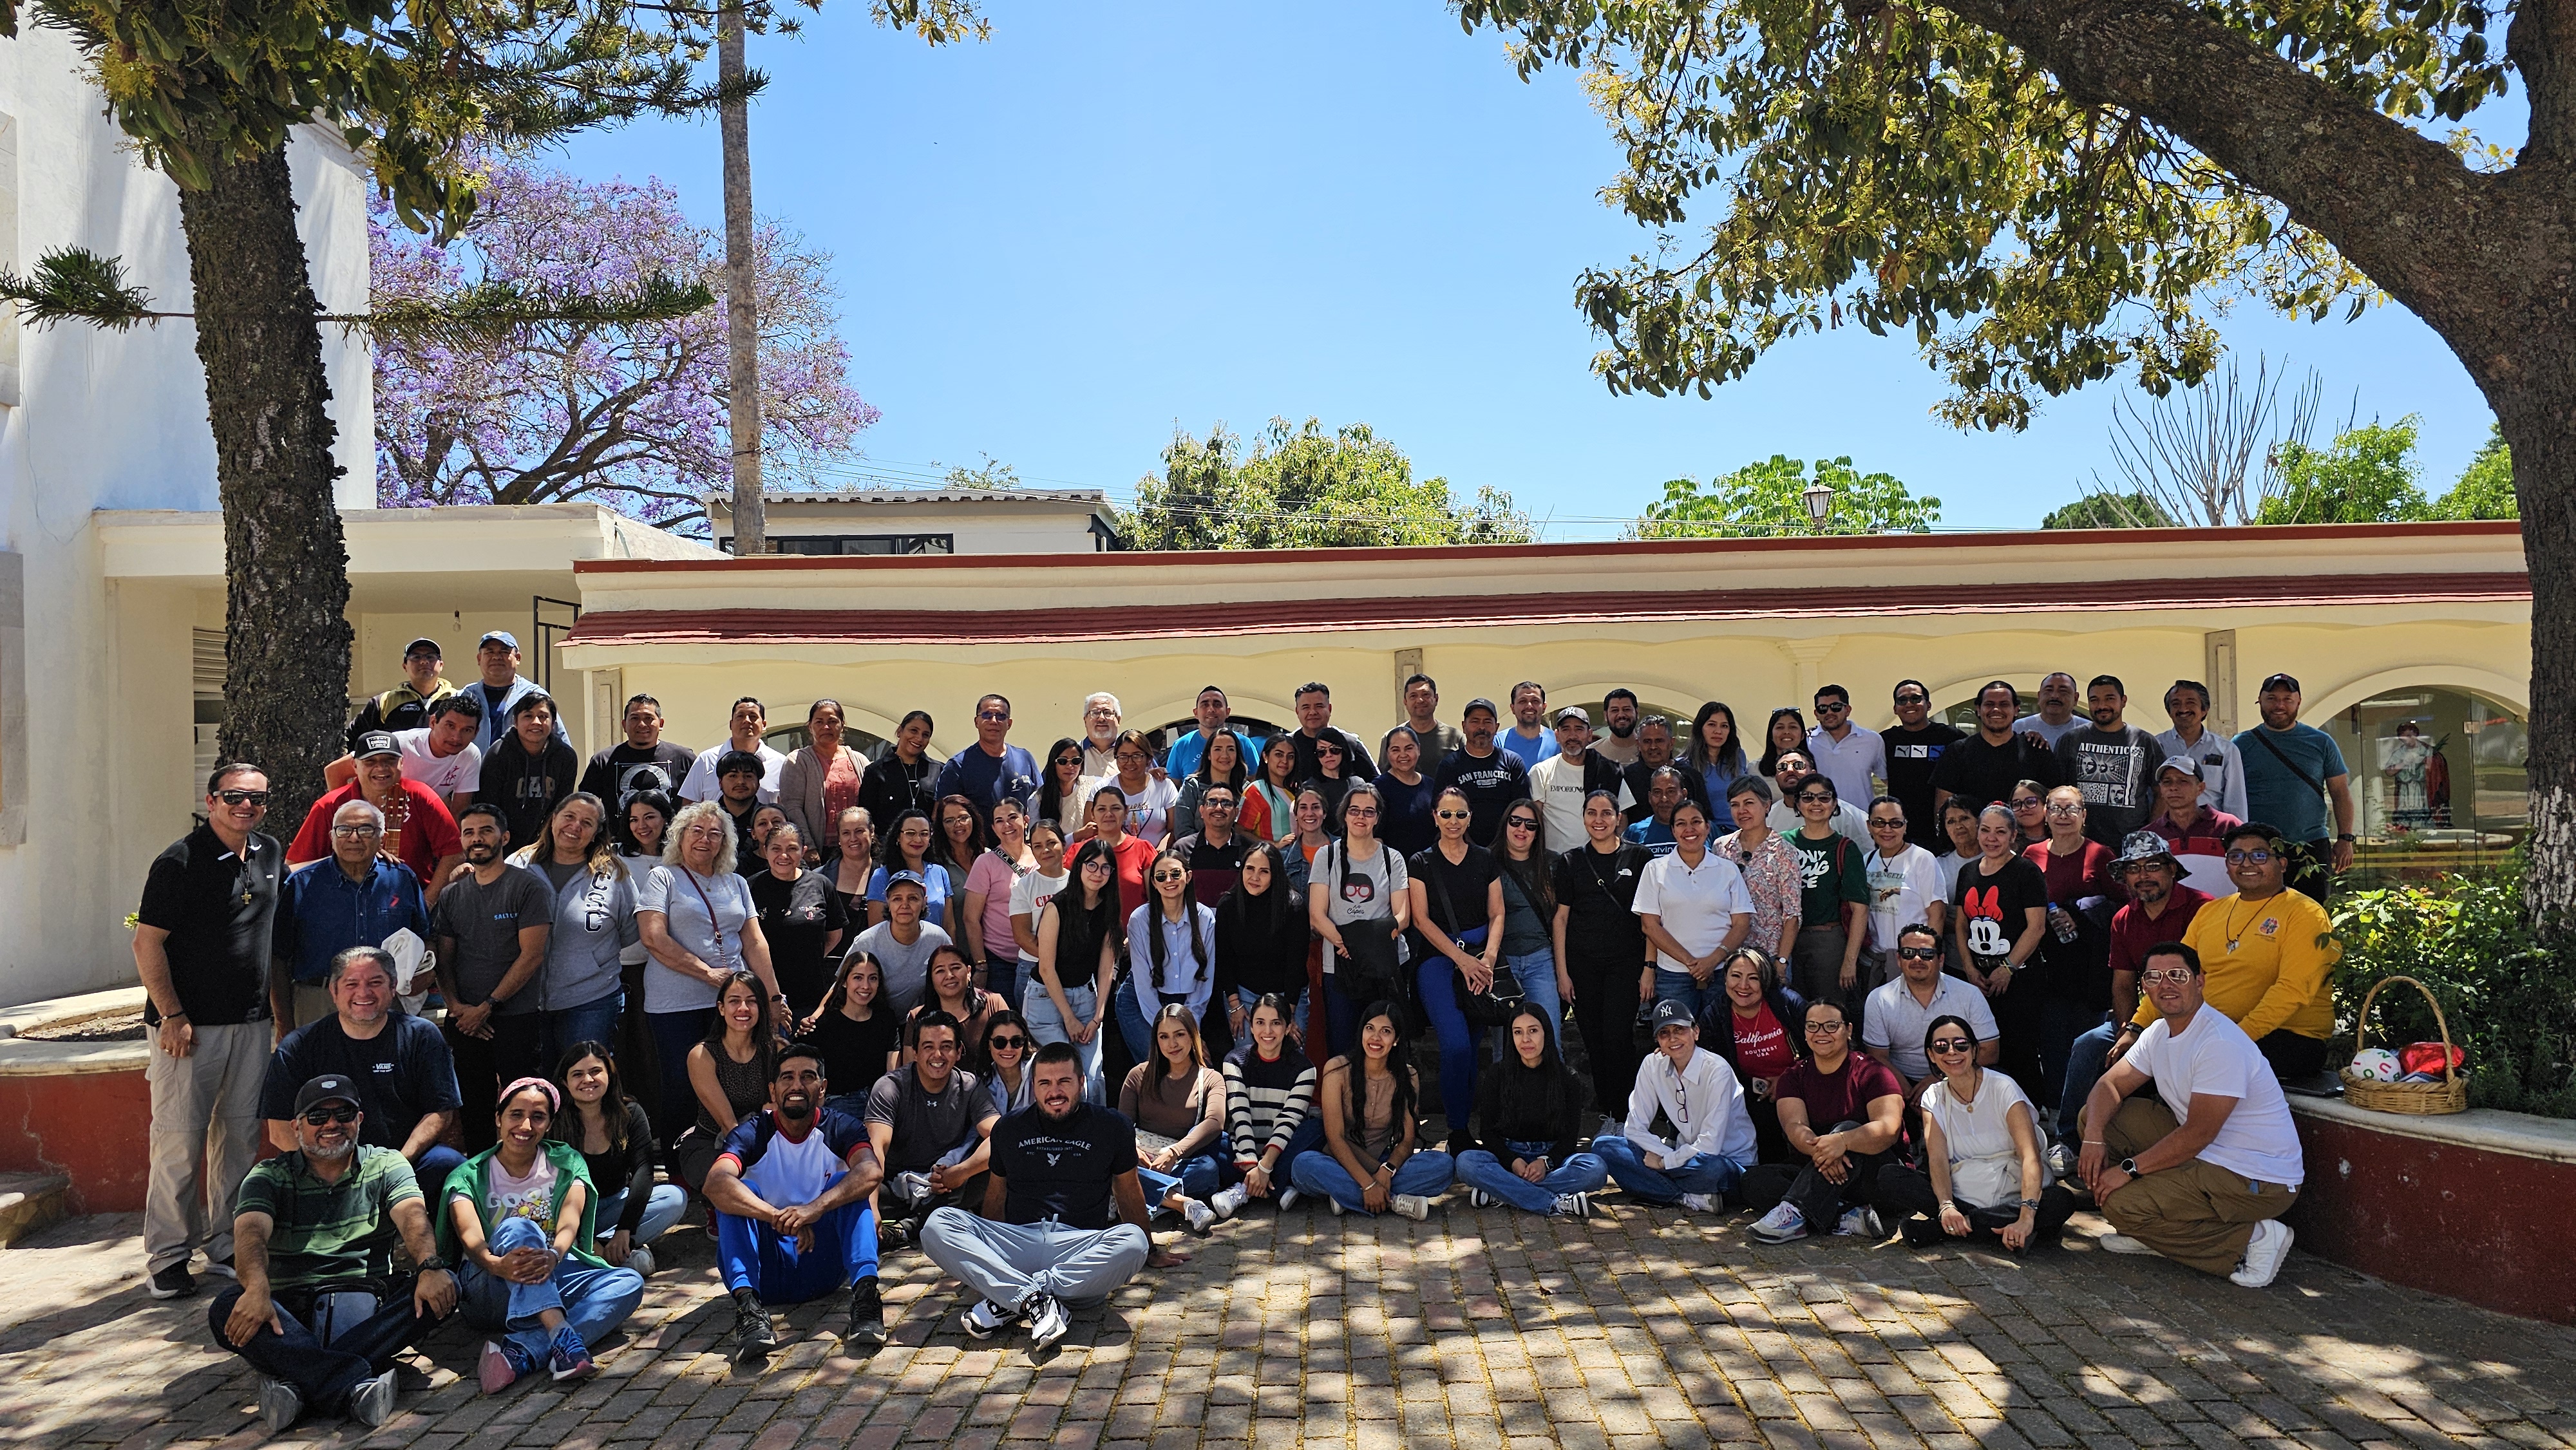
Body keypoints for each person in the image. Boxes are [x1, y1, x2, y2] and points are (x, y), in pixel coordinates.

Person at [207, 1073, 457, 1431]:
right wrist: (257, 1289)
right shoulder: (268, 1175)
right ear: (296, 1127)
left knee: (446, 1285)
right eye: (318, 1117)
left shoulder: (387, 1164)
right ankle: (353, 1383)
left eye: (343, 1114)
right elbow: (250, 1235)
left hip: (368, 1303)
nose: (332, 1125)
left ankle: (299, 1379)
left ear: (359, 1120)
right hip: (290, 1314)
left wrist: (431, 1267)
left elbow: (413, 1218)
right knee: (225, 1308)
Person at [920, 1041, 1175, 1350]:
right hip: (1017, 1242)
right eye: (1045, 1083)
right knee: (937, 1223)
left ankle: (1016, 1296)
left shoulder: (1112, 1127)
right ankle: (1033, 1300)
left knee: (1133, 1243)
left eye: (1064, 1081)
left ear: (1081, 1083)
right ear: (1034, 1087)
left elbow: (1128, 1192)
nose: (1055, 1091)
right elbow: (996, 1198)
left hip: (1078, 1250)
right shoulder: (1010, 1128)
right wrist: (984, 1256)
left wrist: (1150, 1250)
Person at [2077, 943, 2304, 1288]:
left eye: (2177, 975)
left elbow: (2199, 1133)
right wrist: (2093, 1137)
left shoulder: (2219, 1042)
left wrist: (2129, 1170)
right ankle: (2152, 1229)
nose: (2166, 985)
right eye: (2154, 977)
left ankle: (2253, 1238)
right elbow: (2109, 1087)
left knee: (2121, 1204)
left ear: (2200, 981)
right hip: (2205, 1153)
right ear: (2145, 987)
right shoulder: (2157, 1032)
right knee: (2093, 1119)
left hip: (2255, 1177)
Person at [440, 1078, 646, 1392]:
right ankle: (561, 1334)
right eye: (515, 1114)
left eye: (538, 1117)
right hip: (488, 1283)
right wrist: (498, 1266)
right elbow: (471, 1239)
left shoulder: (566, 1162)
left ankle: (525, 1352)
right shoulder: (468, 1174)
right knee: (518, 1226)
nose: (525, 1125)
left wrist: (554, 1255)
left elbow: (570, 1221)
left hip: (550, 1269)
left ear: (549, 1124)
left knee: (628, 1283)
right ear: (498, 1118)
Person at [2098, 824, 2338, 1083]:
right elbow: (2174, 977)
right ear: (2227, 865)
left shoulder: (2305, 913)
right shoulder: (2211, 912)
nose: (2247, 863)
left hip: (2288, 1036)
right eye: (2236, 856)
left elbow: (2293, 989)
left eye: (2259, 855)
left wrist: (2233, 1039)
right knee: (2113, 1065)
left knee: (2177, 1070)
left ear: (2281, 863)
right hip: (2213, 1031)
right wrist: (2136, 1029)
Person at [705, 1041, 889, 1357]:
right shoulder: (751, 1133)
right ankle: (749, 1312)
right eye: (787, 1077)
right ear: (773, 1090)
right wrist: (782, 1219)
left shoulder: (841, 1127)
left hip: (823, 1264)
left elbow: (871, 1173)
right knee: (736, 1194)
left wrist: (814, 1209)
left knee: (851, 1181)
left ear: (822, 1088)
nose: (796, 1085)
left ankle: (867, 1301)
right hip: (766, 1271)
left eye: (807, 1077)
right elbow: (715, 1183)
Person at [2051, 832, 2212, 1162]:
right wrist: (2128, 1030)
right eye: (2134, 869)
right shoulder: (2123, 918)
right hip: (2142, 1019)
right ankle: (2068, 1143)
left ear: (2171, 870)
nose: (2143, 876)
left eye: (2152, 866)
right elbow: (2123, 984)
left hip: (2193, 1019)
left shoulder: (2203, 908)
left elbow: (2204, 983)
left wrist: (2138, 1034)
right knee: (2088, 1044)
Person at [636, 800, 790, 1144]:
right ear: (680, 836)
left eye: (715, 833)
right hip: (677, 1003)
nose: (705, 839)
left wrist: (773, 996)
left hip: (734, 1002)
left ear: (725, 842)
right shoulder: (663, 877)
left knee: (739, 1079)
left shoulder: (735, 882)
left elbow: (755, 943)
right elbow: (653, 937)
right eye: (697, 831)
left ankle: (736, 1151)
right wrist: (708, 974)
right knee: (681, 1082)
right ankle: (682, 1163)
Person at [261, 945, 464, 1190]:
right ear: (334, 992)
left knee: (447, 1165)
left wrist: (397, 1164)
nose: (364, 992)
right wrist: (329, 1172)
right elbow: (279, 1129)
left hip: (404, 1159)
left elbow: (440, 1112)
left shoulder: (422, 1036)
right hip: (325, 1166)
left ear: (393, 988)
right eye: (351, 984)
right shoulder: (299, 1046)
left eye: (375, 982)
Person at [1873, 1015, 2075, 1252]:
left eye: (1961, 1044)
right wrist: (1946, 1206)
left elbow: (2030, 1156)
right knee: (1891, 1176)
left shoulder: (2003, 1087)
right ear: (1931, 1054)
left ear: (1974, 1049)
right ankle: (1994, 1227)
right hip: (1965, 1192)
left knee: (2061, 1201)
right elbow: (1937, 1159)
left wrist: (2027, 1214)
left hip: (2017, 1192)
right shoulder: (1933, 1097)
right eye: (1941, 1046)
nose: (1952, 1052)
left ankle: (1950, 1229)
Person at [431, 803, 555, 1146]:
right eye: (469, 832)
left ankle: (527, 1175)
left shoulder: (528, 888)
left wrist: (487, 1006)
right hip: (465, 1021)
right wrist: (457, 1007)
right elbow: (443, 958)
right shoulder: (452, 895)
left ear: (505, 837)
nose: (477, 839)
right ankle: (480, 1181)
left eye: (486, 831)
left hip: (516, 1017)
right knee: (473, 1106)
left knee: (524, 1103)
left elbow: (531, 956)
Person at [1743, 999, 1908, 1243]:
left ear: (1848, 1030)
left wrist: (1842, 1141)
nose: (1821, 1033)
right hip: (1820, 1168)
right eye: (1813, 1026)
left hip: (1875, 1176)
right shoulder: (1794, 1076)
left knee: (1847, 1128)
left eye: (1831, 1026)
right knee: (1754, 1182)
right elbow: (1794, 1126)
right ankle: (1845, 1216)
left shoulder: (1873, 1072)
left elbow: (1889, 1129)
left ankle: (1795, 1212)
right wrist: (1825, 1151)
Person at [274, 798, 431, 1031]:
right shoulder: (301, 884)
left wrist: (423, 978)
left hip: (386, 1000)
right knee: (322, 1069)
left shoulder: (402, 879)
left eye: (366, 830)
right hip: (318, 1002)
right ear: (332, 837)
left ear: (383, 838)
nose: (354, 838)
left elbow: (425, 937)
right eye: (344, 829)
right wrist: (283, 1023)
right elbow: (278, 959)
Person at [1286, 1000, 1454, 1218]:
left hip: (1385, 1162)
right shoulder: (1337, 1069)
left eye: (1386, 1031)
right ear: (1361, 1032)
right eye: (1370, 1029)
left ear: (1396, 1040)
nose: (1376, 1038)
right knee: (1303, 1166)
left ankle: (1345, 1196)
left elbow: (1407, 1139)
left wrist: (1388, 1169)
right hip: (1342, 1161)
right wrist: (1369, 1183)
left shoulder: (1408, 1076)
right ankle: (1392, 1202)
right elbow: (1335, 1138)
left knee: (1444, 1165)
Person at [506, 791, 636, 1067]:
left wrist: (591, 959)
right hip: (523, 1000)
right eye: (569, 817)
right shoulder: (518, 866)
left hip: (591, 1001)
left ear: (596, 833)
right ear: (553, 820)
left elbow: (629, 930)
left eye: (586, 823)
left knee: (585, 1083)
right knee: (533, 1088)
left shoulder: (614, 874)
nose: (575, 827)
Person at [1410, 786, 1506, 1148]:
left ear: (1470, 818)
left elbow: (1497, 912)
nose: (1453, 821)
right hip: (1438, 961)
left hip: (1482, 962)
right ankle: (1457, 1127)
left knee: (1473, 1041)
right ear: (1435, 816)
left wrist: (1489, 958)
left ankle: (1464, 1129)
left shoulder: (1485, 859)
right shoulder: (1420, 862)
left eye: (1461, 815)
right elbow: (1420, 919)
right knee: (1455, 1045)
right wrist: (1461, 959)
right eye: (1446, 814)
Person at [1593, 1000, 1757, 1210]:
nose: (1673, 1038)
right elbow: (1634, 1129)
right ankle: (1686, 1197)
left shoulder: (1718, 1071)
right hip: (1685, 1158)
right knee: (1605, 1147)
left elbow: (1710, 1145)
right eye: (1664, 1033)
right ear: (1658, 1042)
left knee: (1713, 1169)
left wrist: (1665, 1162)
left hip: (1726, 1162)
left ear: (1695, 1032)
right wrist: (1663, 1153)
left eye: (1680, 1030)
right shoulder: (1653, 1065)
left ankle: (1659, 1188)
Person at [1552, 790, 1653, 1117]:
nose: (1599, 820)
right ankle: (1609, 1114)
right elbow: (1561, 919)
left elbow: (1651, 917)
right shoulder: (1570, 862)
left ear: (1618, 818)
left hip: (1626, 964)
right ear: (1583, 818)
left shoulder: (1640, 858)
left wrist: (1649, 967)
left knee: (1618, 1040)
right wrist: (1563, 973)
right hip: (1583, 966)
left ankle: (1626, 1116)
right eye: (1592, 813)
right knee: (1594, 1043)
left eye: (1606, 813)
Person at [866, 1010, 998, 1250]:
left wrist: (960, 1172)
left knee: (992, 1170)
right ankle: (922, 1221)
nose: (938, 1055)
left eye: (946, 1046)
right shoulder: (891, 1087)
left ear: (959, 1052)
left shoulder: (969, 1086)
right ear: (914, 1052)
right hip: (897, 1187)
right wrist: (871, 1208)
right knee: (849, 1183)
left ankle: (908, 1228)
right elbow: (877, 1150)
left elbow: (1000, 1135)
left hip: (948, 1185)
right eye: (928, 1047)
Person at [289, 733, 466, 910]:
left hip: (409, 904)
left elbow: (454, 853)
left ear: (402, 763)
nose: (381, 769)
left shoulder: (421, 797)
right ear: (354, 766)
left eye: (389, 761)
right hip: (343, 908)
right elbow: (293, 868)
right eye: (370, 762)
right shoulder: (329, 805)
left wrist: (425, 904)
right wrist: (343, 859)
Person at [1458, 1006, 1606, 1218]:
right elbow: (1488, 1133)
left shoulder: (1567, 1078)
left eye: (1533, 1031)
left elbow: (1569, 1139)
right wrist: (1512, 1161)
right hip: (1508, 1157)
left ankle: (1501, 1191)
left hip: (1550, 1160)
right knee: (1466, 1163)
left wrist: (1545, 1162)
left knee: (1596, 1169)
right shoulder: (1497, 1074)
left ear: (1546, 1032)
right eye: (1518, 1032)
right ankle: (1554, 1202)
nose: (1526, 1039)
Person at [554, 1042, 686, 1274]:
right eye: (577, 1074)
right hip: (568, 1213)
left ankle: (604, 1250)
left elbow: (644, 1170)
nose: (588, 1080)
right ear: (565, 1083)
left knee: (674, 1197)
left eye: (595, 1071)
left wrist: (625, 1228)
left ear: (609, 1075)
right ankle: (610, 1254)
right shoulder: (555, 1121)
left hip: (613, 1206)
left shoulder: (630, 1113)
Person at [2026, 785, 2117, 1118]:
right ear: (2046, 814)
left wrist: (2079, 910)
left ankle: (2086, 1116)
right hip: (2046, 964)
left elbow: (2121, 904)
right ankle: (2054, 1113)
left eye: (2071, 809)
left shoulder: (2101, 854)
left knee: (2087, 1045)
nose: (2063, 816)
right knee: (2051, 1044)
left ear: (2084, 815)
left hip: (2089, 966)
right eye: (2056, 809)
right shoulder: (2031, 855)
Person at [1952, 804, 2051, 1104]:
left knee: (2019, 1048)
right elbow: (1960, 926)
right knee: (1980, 1047)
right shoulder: (1967, 871)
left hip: (2020, 977)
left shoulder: (2026, 872)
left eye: (2000, 832)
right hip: (1979, 979)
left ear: (2013, 836)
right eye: (1985, 830)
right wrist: (1970, 970)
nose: (1991, 838)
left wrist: (2007, 968)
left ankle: (2034, 1112)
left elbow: (2036, 928)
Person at [1310, 784, 1411, 1060]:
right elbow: (1317, 914)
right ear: (1344, 815)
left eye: (1369, 811)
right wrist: (1347, 945)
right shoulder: (1326, 855)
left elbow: (1402, 917)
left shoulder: (1393, 859)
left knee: (1385, 1052)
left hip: (1384, 965)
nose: (1361, 817)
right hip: (1340, 965)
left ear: (1377, 818)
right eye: (1354, 810)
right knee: (1343, 1048)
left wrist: (1365, 945)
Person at [2233, 673, 2356, 900]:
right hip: (2259, 849)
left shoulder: (2321, 742)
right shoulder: (2240, 745)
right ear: (2259, 701)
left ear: (2298, 702)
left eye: (2287, 699)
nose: (2279, 705)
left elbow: (2341, 793)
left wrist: (2345, 839)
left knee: (2312, 915)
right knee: (2259, 915)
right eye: (2272, 698)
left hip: (2310, 846)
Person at [1636, 797, 1756, 1025]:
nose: (1689, 829)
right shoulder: (1655, 870)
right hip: (1673, 975)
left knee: (1719, 1040)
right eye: (1681, 824)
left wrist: (1713, 961)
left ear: (1707, 827)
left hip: (1722, 972)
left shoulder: (1728, 870)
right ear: (1672, 831)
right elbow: (1649, 926)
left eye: (1696, 822)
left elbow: (1742, 924)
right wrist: (1692, 963)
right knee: (1676, 1038)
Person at [1121, 1004, 1233, 1232]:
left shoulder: (1211, 1078)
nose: (1172, 1044)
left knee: (1208, 1170)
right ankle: (1184, 1205)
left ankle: (1138, 1197)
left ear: (1193, 1036)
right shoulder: (1138, 1075)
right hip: (1140, 1161)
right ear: (1156, 1041)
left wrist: (1174, 1153)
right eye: (1164, 1037)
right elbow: (1120, 1127)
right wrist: (1131, 1149)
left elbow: (1215, 1122)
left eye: (1179, 1035)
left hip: (1182, 1162)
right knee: (1114, 1166)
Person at [1028, 840, 1121, 1101]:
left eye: (1105, 868)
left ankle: (1094, 1136)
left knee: (1092, 1079)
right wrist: (1069, 1018)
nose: (1097, 873)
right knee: (1063, 1074)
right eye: (1092, 865)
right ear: (1079, 866)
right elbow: (1046, 969)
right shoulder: (1057, 907)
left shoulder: (1109, 910)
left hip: (1085, 997)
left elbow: (1105, 969)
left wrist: (1097, 1017)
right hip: (1045, 999)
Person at [670, 971, 782, 1189]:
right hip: (713, 1142)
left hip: (768, 1139)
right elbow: (728, 1124)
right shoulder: (702, 1055)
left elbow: (776, 1110)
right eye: (734, 1001)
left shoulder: (776, 1050)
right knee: (740, 1181)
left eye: (752, 1001)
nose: (743, 1008)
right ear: (721, 1008)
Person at [1861, 925, 1998, 1097]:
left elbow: (1990, 1052)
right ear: (1898, 959)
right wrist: (1911, 1095)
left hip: (1958, 1075)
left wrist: (1938, 1079)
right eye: (1908, 953)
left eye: (1926, 954)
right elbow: (1878, 1058)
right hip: (1902, 1083)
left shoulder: (1969, 994)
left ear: (1940, 960)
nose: (1917, 959)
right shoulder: (1879, 999)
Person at [1216, 993, 1318, 1218]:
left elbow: (1289, 1121)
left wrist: (1265, 1167)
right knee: (1210, 1139)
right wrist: (1253, 1165)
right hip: (1242, 1152)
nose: (1268, 1031)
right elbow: (1240, 1116)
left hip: (1280, 1153)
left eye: (1276, 1023)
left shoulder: (1304, 1069)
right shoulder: (1234, 1062)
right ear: (1251, 1027)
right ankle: (1277, 1187)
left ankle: (1244, 1189)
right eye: (1260, 1023)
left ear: (1289, 1027)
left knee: (1316, 1130)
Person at [1700, 948, 1806, 1164]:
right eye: (1736, 976)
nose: (1743, 986)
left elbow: (1821, 1051)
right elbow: (1707, 1067)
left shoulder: (1788, 1004)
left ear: (1765, 980)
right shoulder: (1715, 1015)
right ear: (1726, 978)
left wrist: (1788, 1081)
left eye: (1753, 978)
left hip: (1800, 1085)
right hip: (1747, 1093)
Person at [1785, 773, 1873, 1014]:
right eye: (1808, 797)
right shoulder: (1782, 844)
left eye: (1824, 798)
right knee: (1792, 1012)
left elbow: (1860, 909)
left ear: (1834, 804)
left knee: (1830, 1012)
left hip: (1828, 941)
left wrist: (1849, 961)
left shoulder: (1846, 848)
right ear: (1797, 803)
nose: (1816, 804)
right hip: (1786, 941)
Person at [1119, 849, 1220, 1059]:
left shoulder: (1205, 918)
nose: (1169, 881)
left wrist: (1190, 1030)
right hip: (1142, 1002)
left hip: (1189, 1002)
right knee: (1160, 1065)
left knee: (1191, 1064)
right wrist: (1168, 1030)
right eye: (1161, 876)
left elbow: (1204, 979)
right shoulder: (1139, 920)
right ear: (1154, 883)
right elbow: (1144, 986)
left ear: (1188, 876)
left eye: (1175, 874)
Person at [1214, 840, 1311, 1042]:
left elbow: (1296, 964)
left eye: (1264, 871)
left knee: (1288, 1061)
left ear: (1275, 875)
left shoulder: (1293, 907)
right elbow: (1225, 960)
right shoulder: (1228, 906)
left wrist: (1288, 1014)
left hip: (1288, 996)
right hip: (1243, 996)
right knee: (1246, 1063)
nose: (1255, 877)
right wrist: (1235, 1006)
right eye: (1249, 869)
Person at [323, 694, 482, 814]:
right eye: (450, 726)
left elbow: (459, 811)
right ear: (433, 722)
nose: (456, 737)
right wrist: (350, 816)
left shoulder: (470, 755)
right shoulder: (397, 744)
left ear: (476, 733)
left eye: (466, 730)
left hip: (422, 825)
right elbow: (335, 771)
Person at [751, 823, 847, 1019]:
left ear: (803, 851)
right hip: (764, 994)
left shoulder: (821, 884)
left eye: (792, 849)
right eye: (776, 849)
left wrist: (810, 955)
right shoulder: (750, 887)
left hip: (811, 994)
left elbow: (835, 934)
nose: (783, 856)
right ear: (765, 850)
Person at [2054, 675, 2161, 846]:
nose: (2102, 706)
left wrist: (2150, 832)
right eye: (2094, 700)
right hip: (2080, 842)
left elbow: (2161, 792)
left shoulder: (2144, 741)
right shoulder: (2070, 740)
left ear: (2123, 701)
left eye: (2109, 699)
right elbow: (2056, 790)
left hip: (2131, 843)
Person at [1492, 799, 1570, 1031]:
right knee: (1504, 1045)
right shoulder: (1486, 862)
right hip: (1502, 963)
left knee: (1549, 1037)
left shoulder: (1554, 864)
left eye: (1530, 825)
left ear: (1538, 831)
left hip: (1541, 960)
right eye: (1515, 822)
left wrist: (1562, 970)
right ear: (1505, 824)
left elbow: (1561, 919)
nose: (1521, 829)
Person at [1931, 680, 2063, 816]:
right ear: (1978, 709)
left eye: (2004, 704)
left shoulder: (2037, 749)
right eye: (1989, 704)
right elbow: (1943, 808)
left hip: (2026, 836)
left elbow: (2052, 800)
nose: (1996, 709)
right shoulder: (1957, 752)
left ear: (2016, 709)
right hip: (1973, 837)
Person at [1862, 796, 1948, 997]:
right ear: (1869, 826)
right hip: (1875, 960)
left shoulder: (1922, 859)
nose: (1887, 829)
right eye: (1879, 823)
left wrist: (1929, 959)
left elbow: (1937, 914)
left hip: (1913, 960)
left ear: (1905, 826)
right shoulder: (1866, 861)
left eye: (1895, 823)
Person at [803, 952, 905, 1112]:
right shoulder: (824, 1023)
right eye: (858, 978)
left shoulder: (886, 1018)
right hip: (838, 1102)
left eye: (873, 978)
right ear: (844, 982)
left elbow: (892, 1072)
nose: (866, 986)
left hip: (876, 1098)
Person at [1716, 777, 1802, 966]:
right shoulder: (1721, 847)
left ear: (1767, 806)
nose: (1742, 811)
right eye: (1735, 805)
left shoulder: (1784, 852)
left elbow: (1792, 915)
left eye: (1749, 803)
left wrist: (1782, 961)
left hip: (1768, 956)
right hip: (1727, 955)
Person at [478, 692, 579, 851]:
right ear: (515, 722)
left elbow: (561, 808)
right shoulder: (498, 754)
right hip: (501, 844)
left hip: (544, 846)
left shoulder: (565, 757)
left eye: (543, 716)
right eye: (528, 716)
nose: (536, 722)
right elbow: (487, 807)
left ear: (553, 724)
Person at [963, 796, 1037, 1001]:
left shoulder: (1042, 858)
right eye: (999, 821)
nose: (1007, 825)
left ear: (1026, 820)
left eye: (1013, 817)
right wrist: (981, 965)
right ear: (994, 829)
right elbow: (971, 918)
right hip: (999, 962)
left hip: (1039, 957)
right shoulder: (985, 863)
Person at [1429, 699, 1532, 845]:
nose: (1481, 727)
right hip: (1463, 848)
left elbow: (1522, 809)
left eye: (1487, 722)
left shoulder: (1513, 763)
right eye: (1475, 721)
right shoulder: (1450, 766)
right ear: (1464, 727)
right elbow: (1440, 811)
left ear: (1496, 727)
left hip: (1507, 848)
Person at [851, 871, 956, 1015]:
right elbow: (841, 986)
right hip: (871, 1019)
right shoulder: (867, 941)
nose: (905, 905)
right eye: (897, 899)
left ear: (924, 902)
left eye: (913, 898)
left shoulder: (938, 939)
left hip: (918, 1020)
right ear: (888, 902)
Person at [1529, 706, 1634, 848]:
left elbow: (1622, 817)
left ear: (1589, 735)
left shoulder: (1609, 771)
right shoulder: (1541, 772)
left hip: (1596, 860)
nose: (1572, 736)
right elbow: (1534, 819)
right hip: (1554, 862)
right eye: (1566, 729)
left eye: (1579, 729)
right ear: (1557, 735)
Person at [579, 693, 697, 819]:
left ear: (661, 724)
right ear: (624, 725)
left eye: (649, 718)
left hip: (671, 838)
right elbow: (586, 806)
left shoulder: (684, 759)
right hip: (617, 839)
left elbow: (698, 804)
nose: (642, 724)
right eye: (635, 718)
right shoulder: (603, 761)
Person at [777, 700, 869, 859]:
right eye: (819, 722)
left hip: (856, 848)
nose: (826, 727)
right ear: (810, 726)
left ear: (842, 725)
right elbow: (793, 807)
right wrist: (809, 846)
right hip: (820, 851)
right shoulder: (797, 761)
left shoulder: (859, 761)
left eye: (832, 721)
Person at [1882, 681, 1965, 851]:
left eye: (1915, 698)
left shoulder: (1952, 737)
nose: (1909, 704)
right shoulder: (1885, 740)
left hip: (1942, 832)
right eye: (1902, 700)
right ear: (1895, 709)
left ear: (1928, 705)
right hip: (1900, 832)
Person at [2147, 757, 2244, 895]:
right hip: (2173, 916)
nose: (2174, 788)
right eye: (2167, 782)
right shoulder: (2151, 835)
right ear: (2161, 789)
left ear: (2201, 788)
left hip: (2225, 913)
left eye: (2183, 781)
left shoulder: (2229, 825)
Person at [2156, 679, 2250, 819]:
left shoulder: (2226, 750)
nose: (2183, 709)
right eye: (2176, 704)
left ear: (2204, 709)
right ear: (2169, 711)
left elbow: (2235, 802)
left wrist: (2236, 836)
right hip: (2167, 833)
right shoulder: (2156, 746)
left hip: (2211, 834)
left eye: (2190, 703)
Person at [936, 693, 1041, 818]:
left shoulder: (1025, 759)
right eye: (987, 715)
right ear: (977, 722)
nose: (994, 721)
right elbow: (941, 814)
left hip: (1021, 837)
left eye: (1001, 716)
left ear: (1009, 723)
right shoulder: (958, 765)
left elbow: (1039, 804)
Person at [346, 636, 461, 751]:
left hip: (449, 768)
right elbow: (351, 738)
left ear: (441, 665)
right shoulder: (385, 702)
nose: (424, 661)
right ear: (405, 666)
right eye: (416, 657)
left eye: (431, 657)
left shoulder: (458, 698)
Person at [462, 632, 565, 753]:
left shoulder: (534, 696)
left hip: (522, 771)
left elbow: (561, 743)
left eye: (504, 652)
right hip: (472, 771)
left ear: (518, 658)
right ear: (479, 659)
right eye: (490, 652)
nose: (496, 657)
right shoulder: (466, 696)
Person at [907, 945, 1010, 1064]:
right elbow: (910, 1069)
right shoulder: (917, 1017)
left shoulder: (994, 1004)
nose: (949, 976)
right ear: (931, 978)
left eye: (956, 968)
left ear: (969, 971)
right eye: (940, 971)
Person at [1007, 819, 1072, 1012]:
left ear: (1064, 844)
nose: (1046, 850)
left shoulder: (1080, 883)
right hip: (1033, 969)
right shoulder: (1024, 886)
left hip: (1075, 970)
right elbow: (1022, 936)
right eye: (1038, 846)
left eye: (1051, 843)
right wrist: (1057, 961)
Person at [680, 696, 786, 804]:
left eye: (753, 716)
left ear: (764, 725)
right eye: (740, 716)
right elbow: (688, 805)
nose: (747, 721)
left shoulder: (781, 763)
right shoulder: (706, 760)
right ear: (731, 724)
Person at [1075, 784, 1159, 916]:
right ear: (1092, 814)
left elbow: (1156, 901)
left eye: (1115, 808)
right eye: (1101, 809)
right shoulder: (1077, 851)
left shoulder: (1144, 849)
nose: (1109, 814)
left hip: (1135, 934)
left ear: (1126, 812)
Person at [868, 809, 958, 929]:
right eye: (910, 833)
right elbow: (876, 929)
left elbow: (949, 925)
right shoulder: (882, 876)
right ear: (898, 838)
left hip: (937, 946)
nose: (918, 839)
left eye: (924, 834)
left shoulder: (940, 872)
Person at [1170, 781, 1251, 907]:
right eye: (1212, 802)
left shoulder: (1250, 850)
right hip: (1193, 923)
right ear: (1202, 811)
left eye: (1226, 803)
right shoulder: (1182, 849)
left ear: (1236, 812)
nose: (1219, 808)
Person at [1765, 750, 1871, 845]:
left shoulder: (1845, 813)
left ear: (1813, 774)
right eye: (1782, 767)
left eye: (1798, 765)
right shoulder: (1768, 817)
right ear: (1776, 776)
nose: (1790, 770)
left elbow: (1868, 851)